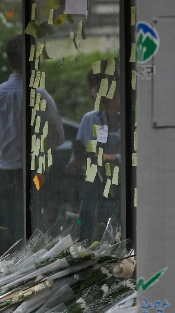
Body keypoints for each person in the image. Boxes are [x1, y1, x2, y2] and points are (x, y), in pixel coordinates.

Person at [0, 35, 65, 250]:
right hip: (35, 174)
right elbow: (59, 137)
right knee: (35, 221)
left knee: (9, 224)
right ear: (33, 59)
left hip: (3, 175)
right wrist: (39, 147)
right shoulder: (39, 95)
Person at [70, 59, 121, 243]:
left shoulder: (132, 119)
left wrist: (112, 158)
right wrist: (78, 160)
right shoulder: (89, 119)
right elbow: (74, 166)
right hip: (92, 193)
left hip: (120, 192)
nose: (101, 100)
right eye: (96, 94)